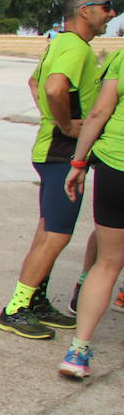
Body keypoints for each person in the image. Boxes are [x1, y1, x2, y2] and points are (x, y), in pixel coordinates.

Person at [0, 0, 112, 340]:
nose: (111, 14)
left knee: (49, 230)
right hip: (60, 153)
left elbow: (34, 81)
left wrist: (52, 118)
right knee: (56, 235)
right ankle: (15, 309)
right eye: (106, 7)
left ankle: (35, 301)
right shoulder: (74, 48)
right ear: (85, 11)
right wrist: (63, 124)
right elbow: (53, 88)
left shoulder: (63, 44)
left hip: (55, 151)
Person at [59, 45, 124, 379]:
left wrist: (79, 162)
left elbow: (99, 113)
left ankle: (78, 351)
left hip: (116, 164)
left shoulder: (121, 58)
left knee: (108, 263)